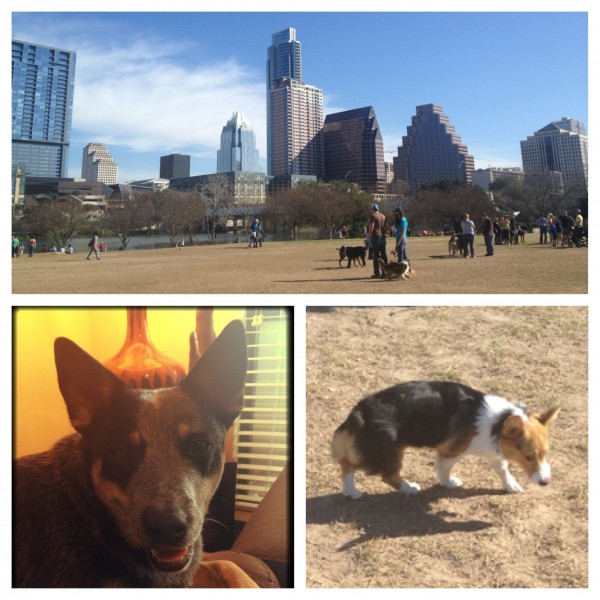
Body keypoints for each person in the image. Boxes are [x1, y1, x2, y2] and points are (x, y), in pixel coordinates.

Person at [367, 203, 387, 278]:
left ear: (372, 209)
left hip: (376, 237)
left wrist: (369, 235)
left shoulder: (373, 216)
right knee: (384, 255)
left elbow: (371, 226)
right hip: (382, 237)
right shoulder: (383, 216)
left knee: (376, 256)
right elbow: (386, 227)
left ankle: (377, 273)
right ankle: (385, 272)